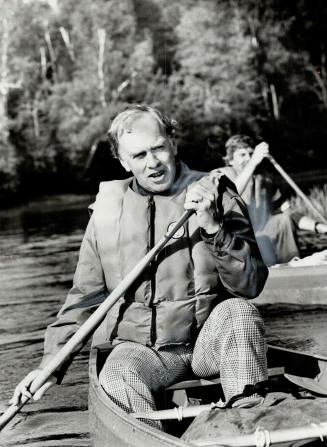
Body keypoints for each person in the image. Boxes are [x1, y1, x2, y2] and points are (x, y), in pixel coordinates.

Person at [10, 106, 268, 431]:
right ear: (123, 161)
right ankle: (151, 437)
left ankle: (250, 425)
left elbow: (251, 285)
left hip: (208, 343)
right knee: (117, 372)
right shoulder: (106, 212)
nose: (153, 162)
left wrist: (214, 227)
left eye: (159, 148)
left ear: (173, 143)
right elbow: (83, 300)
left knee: (240, 312)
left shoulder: (217, 194)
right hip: (147, 354)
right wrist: (50, 365)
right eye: (140, 154)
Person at [215, 134, 327, 266]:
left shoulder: (265, 178)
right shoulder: (219, 175)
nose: (249, 158)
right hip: (233, 242)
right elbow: (230, 194)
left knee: (282, 220)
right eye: (242, 155)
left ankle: (291, 266)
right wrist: (254, 161)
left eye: (251, 153)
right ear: (230, 160)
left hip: (263, 240)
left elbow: (288, 213)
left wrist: (319, 227)